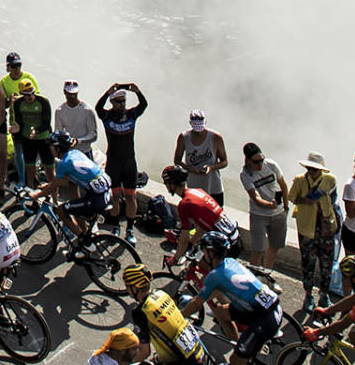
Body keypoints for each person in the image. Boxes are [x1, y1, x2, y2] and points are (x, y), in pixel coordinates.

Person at [181, 232, 285, 364]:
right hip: (269, 307)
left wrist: (179, 315)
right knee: (220, 313)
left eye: (204, 251)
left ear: (211, 253)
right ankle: (239, 345)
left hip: (264, 319)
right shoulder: (230, 262)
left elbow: (197, 303)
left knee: (234, 361)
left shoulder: (214, 276)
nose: (202, 255)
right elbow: (219, 292)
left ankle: (243, 353)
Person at [122, 264, 210, 364]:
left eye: (127, 286)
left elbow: (144, 352)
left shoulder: (140, 312)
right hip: (197, 351)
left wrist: (123, 362)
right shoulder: (161, 294)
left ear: (135, 288)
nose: (127, 290)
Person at [290, 151, 343, 313]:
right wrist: (307, 199)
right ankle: (308, 295)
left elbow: (334, 201)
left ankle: (324, 294)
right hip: (307, 228)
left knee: (326, 263)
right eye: (310, 168)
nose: (312, 172)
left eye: (315, 169)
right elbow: (292, 197)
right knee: (308, 263)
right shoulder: (299, 181)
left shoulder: (330, 180)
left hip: (326, 227)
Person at [39, 130, 114, 243]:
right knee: (75, 204)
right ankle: (85, 235)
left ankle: (84, 240)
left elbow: (54, 186)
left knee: (61, 210)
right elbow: (70, 181)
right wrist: (50, 185)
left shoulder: (62, 164)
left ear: (57, 148)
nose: (49, 149)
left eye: (51, 146)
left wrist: (36, 195)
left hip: (97, 198)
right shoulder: (76, 153)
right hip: (106, 192)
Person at [240, 142, 290, 271]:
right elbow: (256, 198)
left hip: (278, 214)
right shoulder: (245, 174)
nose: (260, 164)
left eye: (261, 160)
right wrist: (270, 205)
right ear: (248, 160)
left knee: (274, 246)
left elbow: (283, 185)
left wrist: (285, 206)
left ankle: (267, 274)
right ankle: (252, 279)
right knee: (258, 249)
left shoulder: (271, 165)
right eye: (256, 162)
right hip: (259, 215)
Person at [174, 110, 229, 210]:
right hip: (194, 186)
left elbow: (224, 161)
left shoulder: (215, 137)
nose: (198, 131)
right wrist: (190, 169)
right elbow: (177, 160)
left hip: (213, 186)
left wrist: (211, 167)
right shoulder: (184, 137)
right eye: (195, 127)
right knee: (196, 215)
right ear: (190, 123)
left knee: (217, 215)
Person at [9, 78, 55, 185]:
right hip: (28, 140)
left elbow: (47, 123)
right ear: (22, 94)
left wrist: (36, 131)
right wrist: (16, 129)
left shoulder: (43, 102)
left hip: (44, 139)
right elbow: (18, 121)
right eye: (26, 95)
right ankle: (31, 191)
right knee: (30, 170)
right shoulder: (18, 103)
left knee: (50, 171)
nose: (30, 97)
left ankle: (54, 198)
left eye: (32, 93)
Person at [55, 80, 99, 158]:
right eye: (69, 94)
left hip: (85, 152)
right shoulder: (60, 111)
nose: (72, 97)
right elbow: (59, 133)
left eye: (74, 94)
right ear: (64, 92)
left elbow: (93, 135)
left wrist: (78, 141)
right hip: (69, 153)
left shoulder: (87, 110)